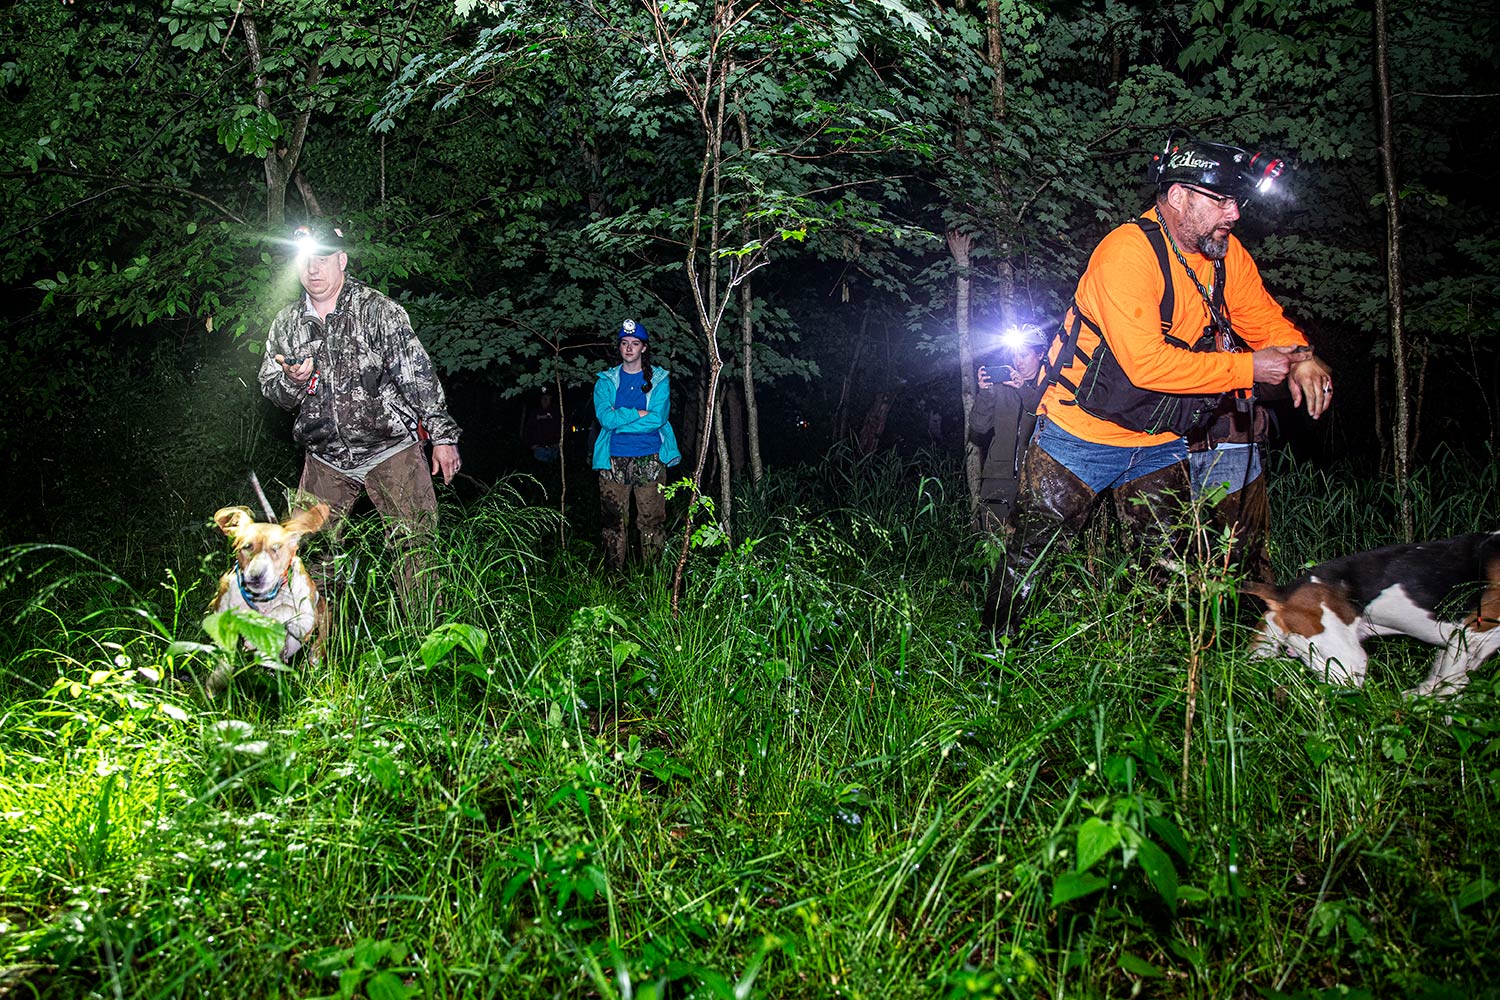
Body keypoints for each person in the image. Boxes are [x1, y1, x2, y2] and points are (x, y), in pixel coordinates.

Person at [986, 132, 1334, 634]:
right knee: (1029, 556)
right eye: (1221, 201)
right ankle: (993, 660)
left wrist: (1300, 355)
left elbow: (1259, 316)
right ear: (1178, 197)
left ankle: (1163, 675)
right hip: (1080, 434)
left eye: (1237, 203)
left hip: (1159, 438)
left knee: (1172, 568)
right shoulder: (1127, 252)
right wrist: (1249, 369)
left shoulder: (1224, 254)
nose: (1234, 215)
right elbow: (1144, 365)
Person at [259, 222, 462, 606]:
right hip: (325, 457)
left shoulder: (378, 310)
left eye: (323, 259)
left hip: (390, 449)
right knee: (306, 560)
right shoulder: (286, 323)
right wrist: (293, 381)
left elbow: (416, 373)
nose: (314, 269)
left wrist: (443, 436)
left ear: (342, 260)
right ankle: (317, 654)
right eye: (306, 261)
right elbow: (274, 391)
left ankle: (426, 646)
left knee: (416, 551)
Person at [593, 319, 680, 570]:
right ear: (619, 347)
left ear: (644, 348)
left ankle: (655, 583)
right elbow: (605, 419)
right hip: (612, 460)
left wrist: (622, 417)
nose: (629, 348)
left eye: (635, 343)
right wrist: (638, 413)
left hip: (650, 459)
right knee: (613, 524)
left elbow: (657, 419)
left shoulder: (659, 379)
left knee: (651, 523)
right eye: (624, 343)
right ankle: (612, 582)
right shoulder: (605, 382)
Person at [969, 324, 1048, 533]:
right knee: (993, 542)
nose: (1018, 361)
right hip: (998, 476)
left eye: (1023, 354)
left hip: (1036, 477)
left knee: (1029, 545)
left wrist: (1023, 388)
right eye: (1014, 356)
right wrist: (985, 393)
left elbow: (1040, 413)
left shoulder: (1051, 389)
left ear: (1040, 354)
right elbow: (978, 426)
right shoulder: (1001, 388)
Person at [523, 389, 561, 464]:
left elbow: (562, 427)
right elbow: (528, 429)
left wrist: (559, 443)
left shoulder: (556, 412)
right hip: (539, 449)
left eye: (548, 398)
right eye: (544, 398)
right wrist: (530, 444)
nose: (546, 400)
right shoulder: (534, 412)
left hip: (553, 448)